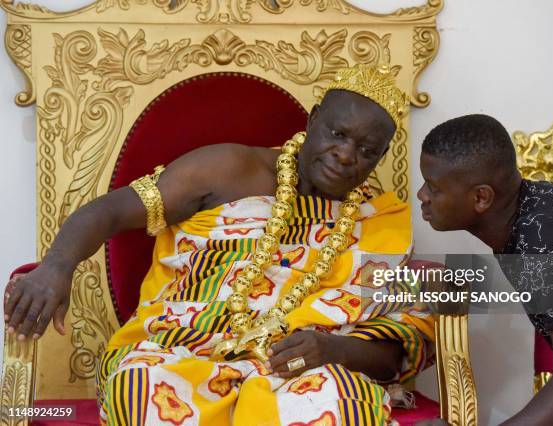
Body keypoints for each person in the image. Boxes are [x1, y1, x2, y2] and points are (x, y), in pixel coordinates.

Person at [5, 64, 434, 425]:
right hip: (181, 349)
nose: (345, 155)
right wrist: (56, 266)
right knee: (140, 388)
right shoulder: (229, 168)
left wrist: (333, 348)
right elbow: (110, 211)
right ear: (313, 118)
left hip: (300, 370)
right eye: (337, 133)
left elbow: (396, 351)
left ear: (380, 158)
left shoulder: (380, 223)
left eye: (366, 149)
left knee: (342, 403)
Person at [418, 114, 553, 425]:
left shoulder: (544, 238)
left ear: (481, 197)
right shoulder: (531, 214)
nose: (422, 196)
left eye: (433, 187)